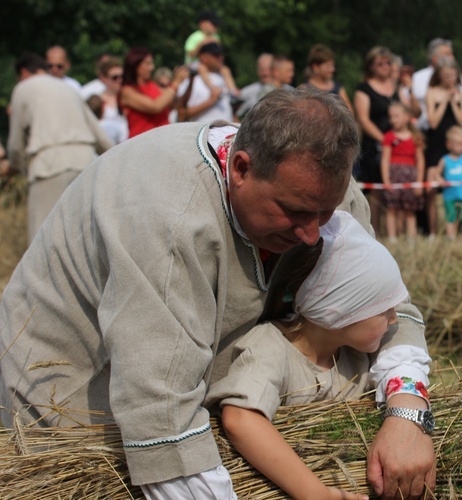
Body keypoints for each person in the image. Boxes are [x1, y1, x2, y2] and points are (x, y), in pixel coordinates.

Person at [0, 87, 435, 500]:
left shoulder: (325, 195)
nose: (311, 233)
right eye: (296, 212)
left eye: (325, 212)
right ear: (242, 169)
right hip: (70, 402)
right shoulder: (168, 219)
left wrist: (407, 413)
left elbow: (388, 304)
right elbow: (160, 411)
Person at [207, 209, 427, 500]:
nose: (394, 320)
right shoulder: (270, 349)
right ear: (338, 313)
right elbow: (240, 419)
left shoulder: (355, 358)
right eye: (383, 309)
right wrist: (315, 493)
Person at [6, 52, 112, 243]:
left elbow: (15, 145)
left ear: (22, 72)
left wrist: (17, 166)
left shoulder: (23, 88)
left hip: (48, 167)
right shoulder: (67, 88)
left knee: (42, 243)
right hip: (85, 164)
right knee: (82, 241)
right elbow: (101, 137)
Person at [354, 46, 400, 237]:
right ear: (371, 66)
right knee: (376, 191)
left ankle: (396, 231)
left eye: (388, 63)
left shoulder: (398, 87)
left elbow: (412, 112)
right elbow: (364, 120)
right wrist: (386, 140)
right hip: (375, 146)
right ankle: (373, 231)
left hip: (399, 145)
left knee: (397, 188)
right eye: (380, 63)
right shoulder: (363, 90)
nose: (385, 67)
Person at [424, 58, 462, 238]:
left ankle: (458, 228)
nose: (450, 77)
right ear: (439, 76)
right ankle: (433, 231)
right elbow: (433, 122)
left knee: (459, 188)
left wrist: (454, 100)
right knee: (432, 189)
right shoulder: (432, 92)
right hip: (436, 143)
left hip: (457, 144)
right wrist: (444, 100)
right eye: (446, 74)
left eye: (453, 74)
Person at [119, 47, 190, 138]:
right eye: (148, 64)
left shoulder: (153, 85)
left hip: (163, 139)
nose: (152, 67)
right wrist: (176, 82)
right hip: (141, 143)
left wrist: (189, 81)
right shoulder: (127, 91)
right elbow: (155, 107)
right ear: (136, 66)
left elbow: (177, 103)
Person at [380, 101, 425, 241]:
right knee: (392, 209)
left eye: (396, 116)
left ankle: (411, 238)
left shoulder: (416, 137)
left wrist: (419, 182)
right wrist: (386, 180)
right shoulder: (388, 137)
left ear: (406, 117)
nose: (393, 120)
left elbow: (420, 160)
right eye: (390, 117)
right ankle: (392, 238)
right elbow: (385, 160)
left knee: (410, 210)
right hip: (394, 177)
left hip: (411, 178)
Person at [184, 10, 240, 98]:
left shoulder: (215, 37)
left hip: (209, 65)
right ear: (202, 24)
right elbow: (191, 54)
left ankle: (233, 91)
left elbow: (218, 51)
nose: (216, 27)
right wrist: (202, 43)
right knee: (201, 67)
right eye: (213, 24)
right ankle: (212, 87)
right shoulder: (195, 36)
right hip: (193, 64)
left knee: (225, 69)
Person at [178, 42, 233, 122]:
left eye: (221, 54)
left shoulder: (223, 77)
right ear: (203, 57)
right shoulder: (192, 79)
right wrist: (211, 101)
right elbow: (181, 113)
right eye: (216, 55)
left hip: (228, 132)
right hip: (203, 133)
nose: (221, 58)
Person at [303, 44, 354, 114]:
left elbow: (349, 112)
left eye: (332, 65)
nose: (332, 69)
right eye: (328, 66)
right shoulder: (304, 89)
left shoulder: (338, 87)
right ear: (315, 67)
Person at [96, 57, 129, 144]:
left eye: (122, 76)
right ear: (104, 79)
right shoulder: (97, 101)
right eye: (115, 77)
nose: (120, 80)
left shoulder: (129, 99)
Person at [236, 53, 274, 118]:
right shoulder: (247, 92)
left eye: (268, 69)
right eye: (261, 69)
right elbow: (234, 113)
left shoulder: (288, 91)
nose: (265, 73)